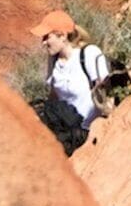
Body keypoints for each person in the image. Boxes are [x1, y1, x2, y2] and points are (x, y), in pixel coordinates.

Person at [33, 8, 115, 153]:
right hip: (66, 127)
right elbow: (53, 97)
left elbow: (107, 91)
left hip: (86, 131)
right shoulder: (53, 61)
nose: (43, 42)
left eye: (47, 37)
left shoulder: (89, 54)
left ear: (62, 36)